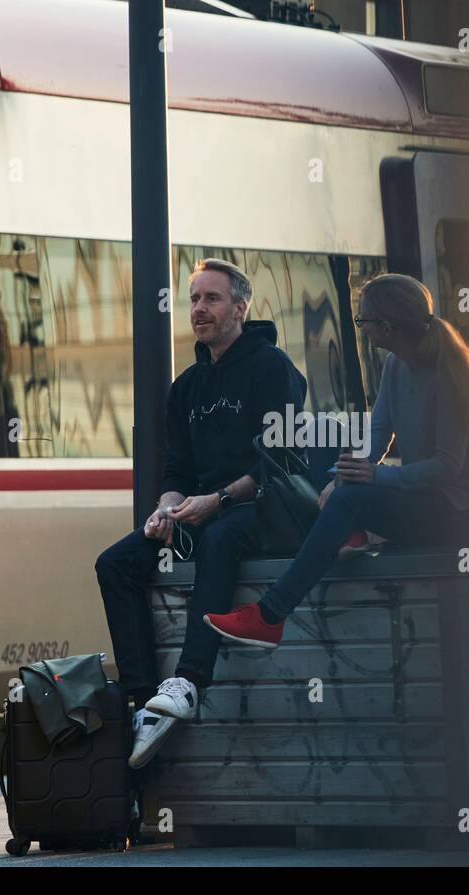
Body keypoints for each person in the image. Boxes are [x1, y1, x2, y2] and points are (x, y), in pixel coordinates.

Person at [203, 272, 469, 648]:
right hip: (424, 501)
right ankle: (340, 539)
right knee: (337, 479)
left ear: (386, 326)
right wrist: (345, 475)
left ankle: (270, 614)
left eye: (363, 321)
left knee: (348, 499)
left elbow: (446, 467)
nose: (362, 329)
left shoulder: (448, 374)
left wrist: (373, 477)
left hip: (456, 513)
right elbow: (378, 434)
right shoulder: (394, 365)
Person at [94, 258, 306, 768]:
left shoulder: (273, 368)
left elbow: (282, 460)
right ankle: (146, 699)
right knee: (114, 563)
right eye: (193, 299)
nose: (199, 309)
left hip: (262, 508)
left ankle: (188, 680)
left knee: (220, 538)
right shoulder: (186, 387)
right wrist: (165, 510)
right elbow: (176, 469)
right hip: (200, 512)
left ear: (240, 306)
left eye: (212, 299)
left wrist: (219, 500)